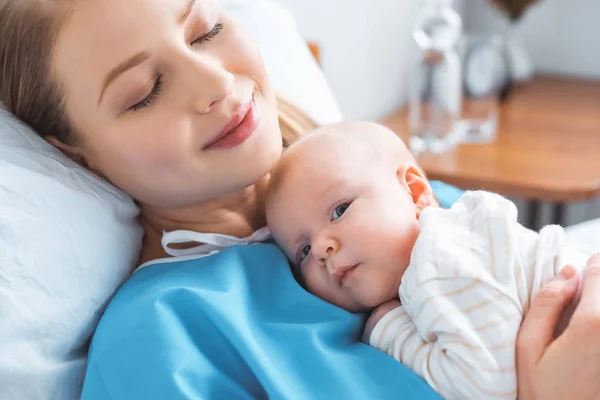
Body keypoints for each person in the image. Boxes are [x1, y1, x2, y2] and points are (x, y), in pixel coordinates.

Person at [1, 0, 599, 399]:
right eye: (143, 92)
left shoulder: (372, 180)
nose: (215, 83)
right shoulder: (160, 340)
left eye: (205, 29)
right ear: (75, 151)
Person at [265, 121, 589, 399]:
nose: (321, 248)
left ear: (415, 192)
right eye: (303, 251)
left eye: (340, 210)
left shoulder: (438, 260)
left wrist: (391, 333)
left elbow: (486, 387)